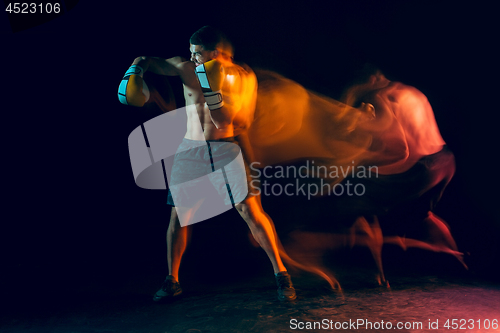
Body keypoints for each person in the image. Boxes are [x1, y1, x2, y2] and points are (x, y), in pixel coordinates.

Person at [120, 26, 296, 301]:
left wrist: (214, 93)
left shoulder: (241, 77)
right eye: (190, 53)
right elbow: (152, 61)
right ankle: (172, 281)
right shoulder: (187, 67)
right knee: (178, 215)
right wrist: (137, 67)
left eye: (197, 53)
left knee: (249, 211)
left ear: (216, 53)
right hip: (190, 150)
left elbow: (237, 122)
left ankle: (281, 275)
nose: (192, 59)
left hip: (226, 147)